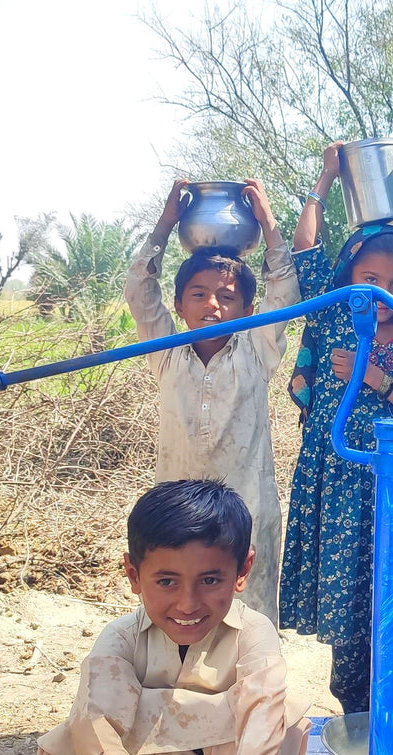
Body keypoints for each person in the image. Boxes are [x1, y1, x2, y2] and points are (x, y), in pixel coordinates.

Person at [37, 479, 310, 755]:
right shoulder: (120, 639)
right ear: (133, 574)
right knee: (76, 738)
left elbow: (262, 727)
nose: (188, 603)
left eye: (210, 580)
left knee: (281, 724)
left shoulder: (255, 634)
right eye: (166, 581)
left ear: (243, 570)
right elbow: (96, 722)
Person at [278, 142, 393, 714]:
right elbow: (306, 249)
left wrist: (376, 378)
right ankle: (353, 711)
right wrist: (325, 178)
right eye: (369, 279)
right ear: (350, 279)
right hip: (338, 484)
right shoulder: (333, 317)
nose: (383, 294)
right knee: (348, 606)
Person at [125, 178, 299, 625]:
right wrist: (165, 225)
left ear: (245, 309)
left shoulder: (257, 350)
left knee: (247, 621)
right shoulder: (165, 354)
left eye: (227, 297)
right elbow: (140, 291)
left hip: (246, 512)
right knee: (179, 614)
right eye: (199, 295)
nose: (213, 306)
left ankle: (246, 693)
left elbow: (283, 290)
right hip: (176, 515)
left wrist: (267, 222)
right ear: (180, 304)